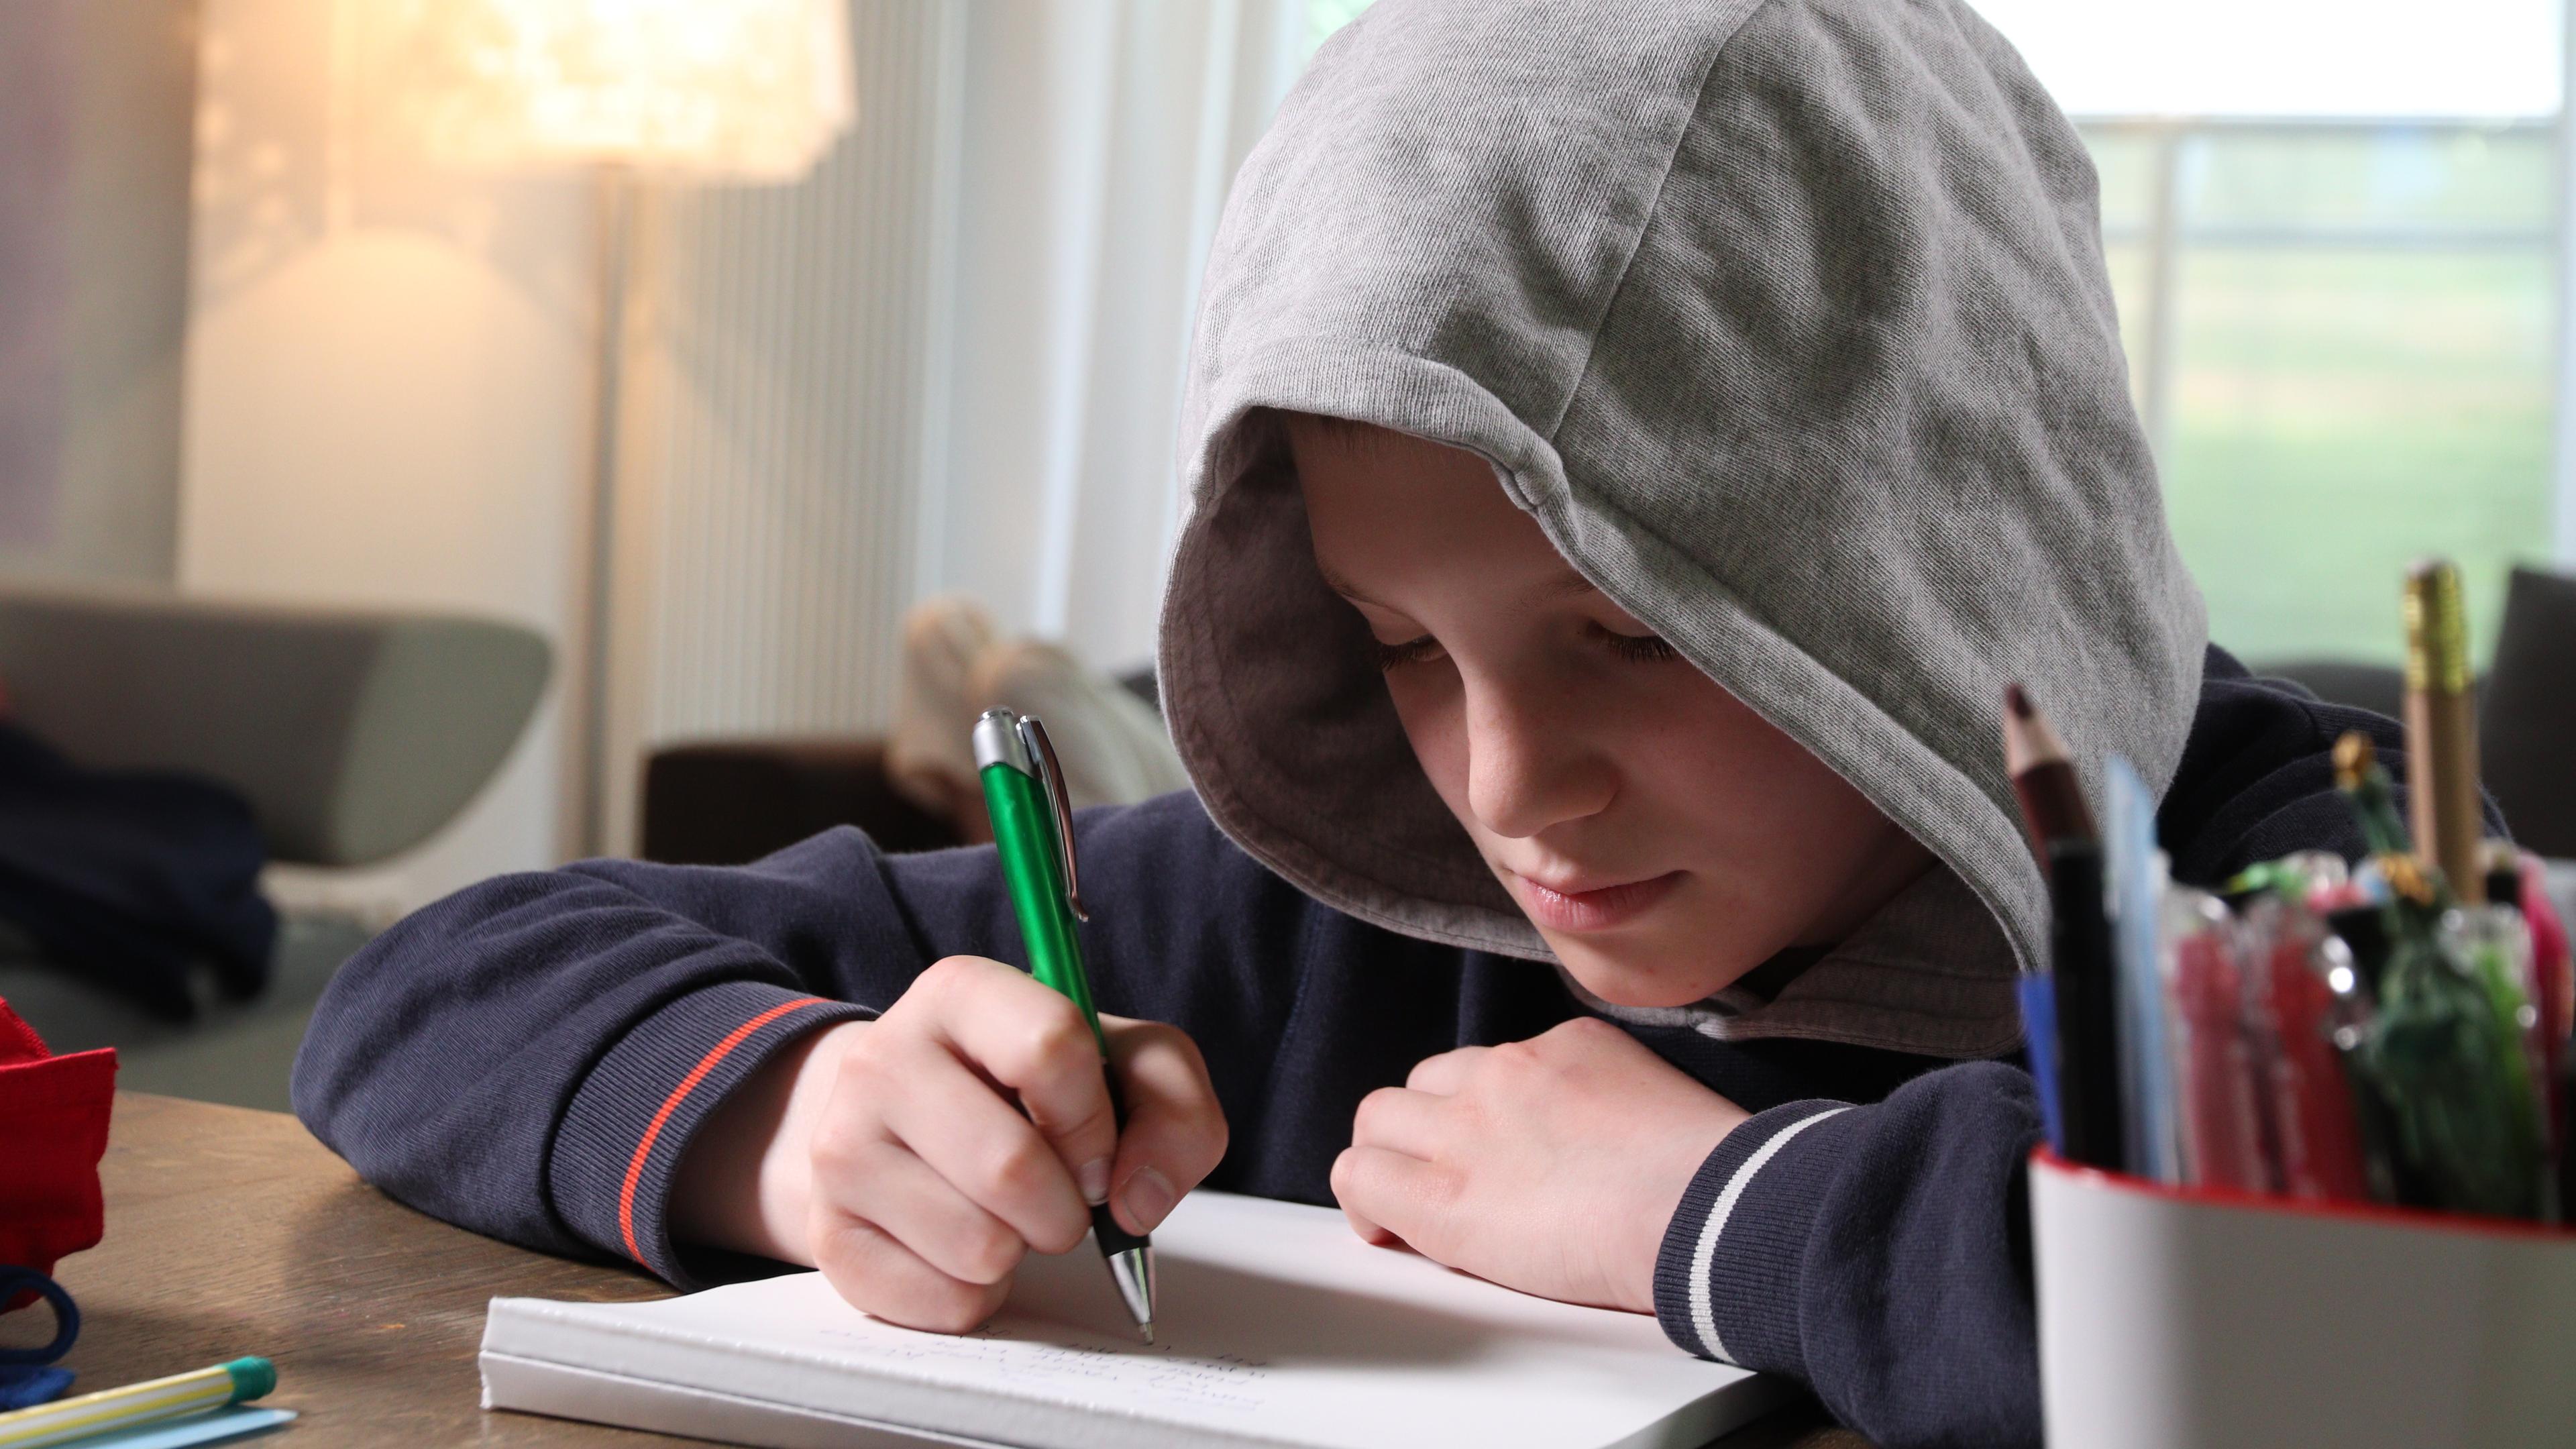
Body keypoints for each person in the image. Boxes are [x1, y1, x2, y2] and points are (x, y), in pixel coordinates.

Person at [290, 2, 2422, 1444]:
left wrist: (1716, 1214)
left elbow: (2379, 1315)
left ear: (1935, 548)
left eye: (1631, 635)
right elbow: (425, 991)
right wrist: (800, 1117)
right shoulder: (1328, 912)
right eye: (1403, 644)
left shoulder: (2314, 859)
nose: (1508, 790)